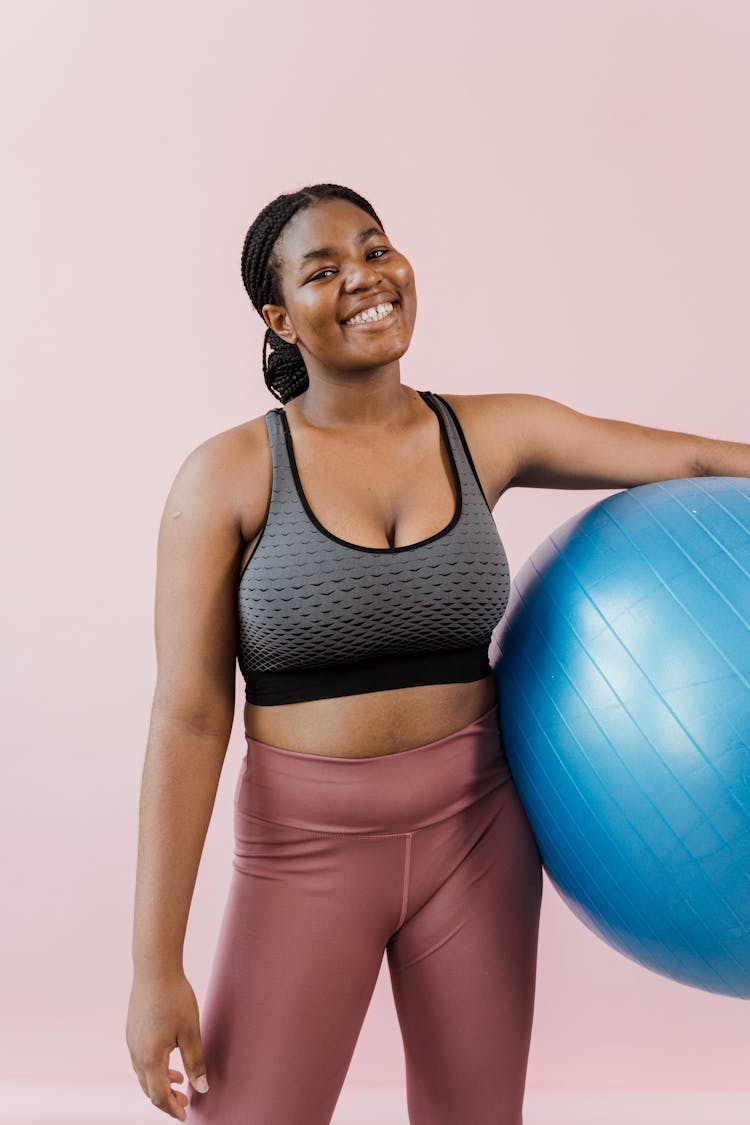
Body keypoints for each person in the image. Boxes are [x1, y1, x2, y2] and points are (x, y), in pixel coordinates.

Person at [126, 183, 750, 1125]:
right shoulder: (227, 476)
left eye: (375, 250)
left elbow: (692, 464)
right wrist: (153, 964)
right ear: (278, 315)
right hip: (306, 849)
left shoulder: (486, 431)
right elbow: (190, 715)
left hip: (479, 838)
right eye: (323, 269)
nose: (365, 279)